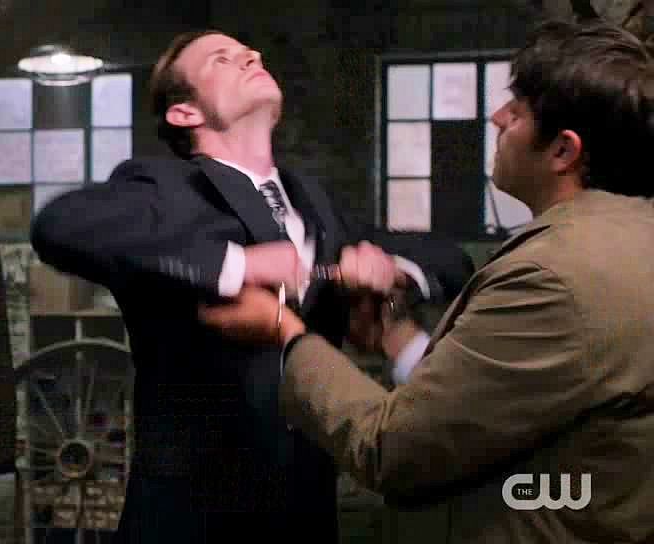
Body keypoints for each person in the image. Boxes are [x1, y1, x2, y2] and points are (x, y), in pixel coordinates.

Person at [199, 19, 654, 543]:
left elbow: (392, 450)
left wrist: (287, 335)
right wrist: (398, 338)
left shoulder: (555, 276)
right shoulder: (628, 237)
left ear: (563, 152)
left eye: (518, 111)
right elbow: (507, 403)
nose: (496, 116)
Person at [31, 30, 473, 542]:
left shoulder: (317, 204)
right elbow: (59, 226)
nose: (251, 57)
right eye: (223, 59)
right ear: (185, 113)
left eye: (250, 53)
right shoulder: (161, 188)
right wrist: (236, 264)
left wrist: (390, 268)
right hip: (189, 523)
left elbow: (452, 261)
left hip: (305, 517)